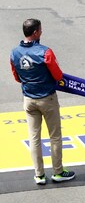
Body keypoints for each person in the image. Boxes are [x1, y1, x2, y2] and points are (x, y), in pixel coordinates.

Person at [10, 18, 75, 185]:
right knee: (55, 136)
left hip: (29, 99)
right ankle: (58, 172)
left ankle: (39, 175)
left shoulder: (14, 53)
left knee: (34, 138)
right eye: (40, 30)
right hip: (47, 98)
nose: (42, 32)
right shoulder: (45, 52)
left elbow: (17, 77)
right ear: (35, 32)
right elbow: (58, 76)